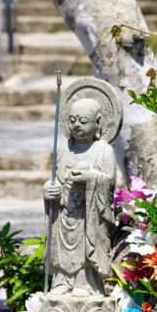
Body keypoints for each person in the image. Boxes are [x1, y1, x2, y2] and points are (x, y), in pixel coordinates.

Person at [42, 97, 118, 297]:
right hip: (64, 210)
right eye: (73, 120)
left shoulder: (104, 151)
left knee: (87, 243)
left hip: (88, 213)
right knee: (61, 243)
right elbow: (55, 179)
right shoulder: (62, 149)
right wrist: (48, 189)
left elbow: (109, 181)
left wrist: (91, 178)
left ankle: (85, 283)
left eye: (83, 121)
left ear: (98, 122)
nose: (77, 125)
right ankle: (61, 281)